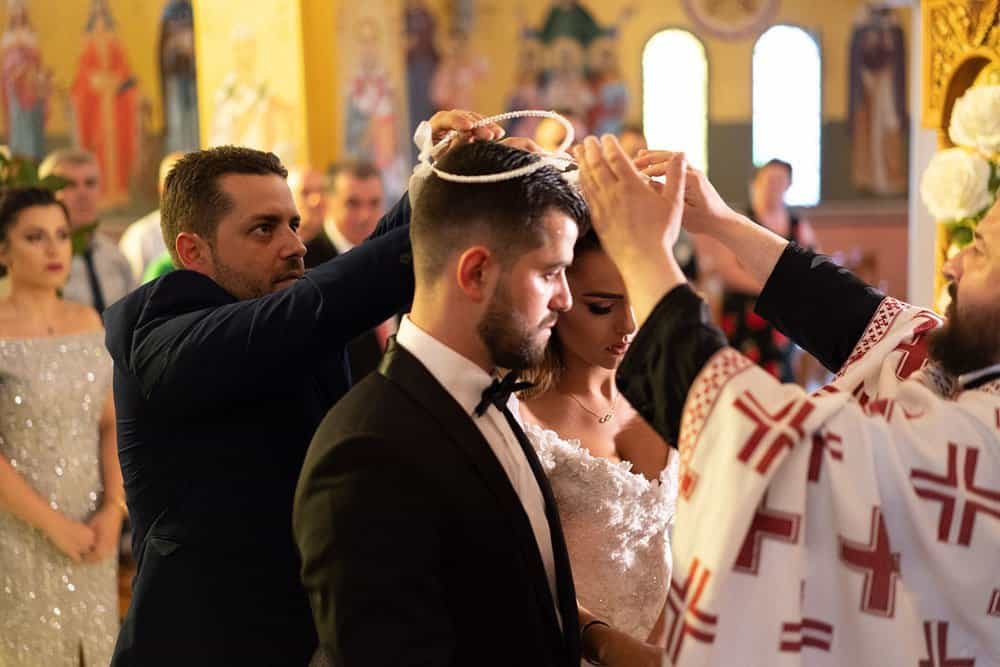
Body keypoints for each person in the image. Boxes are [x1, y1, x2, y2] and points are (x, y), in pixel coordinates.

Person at [578, 136, 1000, 664]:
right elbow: (862, 317)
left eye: (979, 250)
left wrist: (643, 255)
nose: (951, 265)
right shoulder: (970, 363)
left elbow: (785, 456)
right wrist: (721, 221)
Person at [104, 112, 502, 666]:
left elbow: (339, 279)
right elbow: (321, 303)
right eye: (264, 229)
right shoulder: (160, 332)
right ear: (192, 252)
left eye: (293, 224)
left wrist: (441, 173)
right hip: (202, 643)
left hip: (309, 630)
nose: (295, 245)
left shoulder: (278, 304)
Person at [295, 140, 654, 666]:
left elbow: (512, 594)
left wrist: (600, 638)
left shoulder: (493, 398)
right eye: (550, 273)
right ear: (476, 272)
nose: (565, 299)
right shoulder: (368, 452)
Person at [519, 228, 678, 663]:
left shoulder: (664, 394)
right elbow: (517, 574)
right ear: (557, 295)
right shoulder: (522, 417)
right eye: (602, 307)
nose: (627, 325)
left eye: (636, 300)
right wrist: (604, 644)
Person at [0, 187, 123, 666]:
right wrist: (52, 525)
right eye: (35, 237)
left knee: (93, 651)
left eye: (61, 235)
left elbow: (110, 423)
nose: (54, 250)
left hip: (93, 525)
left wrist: (113, 510)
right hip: (17, 528)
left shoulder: (87, 319)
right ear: (4, 251)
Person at [693, 158, 815, 382]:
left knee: (783, 378)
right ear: (756, 183)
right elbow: (726, 270)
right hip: (746, 310)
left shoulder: (798, 225)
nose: (774, 186)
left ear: (788, 185)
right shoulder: (740, 220)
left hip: (783, 313)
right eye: (769, 180)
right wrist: (768, 289)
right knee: (745, 379)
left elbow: (811, 266)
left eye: (781, 181)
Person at [38, 148, 135, 311]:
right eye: (70, 185)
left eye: (90, 183)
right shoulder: (40, 259)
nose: (82, 193)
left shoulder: (114, 255)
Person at [323, 160, 393, 380]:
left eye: (374, 203)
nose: (365, 215)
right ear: (329, 201)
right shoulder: (304, 263)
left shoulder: (396, 255)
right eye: (352, 204)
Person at [119, 151, 185, 281]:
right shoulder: (140, 236)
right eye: (172, 184)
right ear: (161, 188)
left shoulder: (211, 230)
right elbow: (134, 293)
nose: (181, 192)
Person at [287, 165, 335, 269]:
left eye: (322, 191)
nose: (316, 200)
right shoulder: (276, 250)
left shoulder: (340, 248)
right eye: (305, 193)